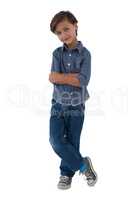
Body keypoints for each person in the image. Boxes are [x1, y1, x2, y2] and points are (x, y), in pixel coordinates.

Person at [49, 11, 97, 190]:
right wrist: (70, 77)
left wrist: (61, 77)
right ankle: (84, 166)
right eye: (59, 33)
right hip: (58, 104)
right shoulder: (56, 54)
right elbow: (52, 77)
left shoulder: (85, 54)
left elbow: (83, 80)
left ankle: (65, 174)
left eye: (66, 29)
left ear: (76, 25)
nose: (63, 35)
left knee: (72, 139)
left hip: (77, 105)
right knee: (55, 140)